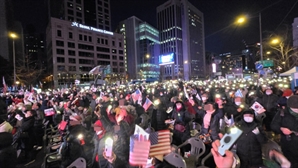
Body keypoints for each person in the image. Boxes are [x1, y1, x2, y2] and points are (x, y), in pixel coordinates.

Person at [271, 95, 298, 167]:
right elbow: (273, 125)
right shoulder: (282, 113)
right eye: (294, 109)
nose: (297, 110)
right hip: (288, 144)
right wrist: (281, 129)